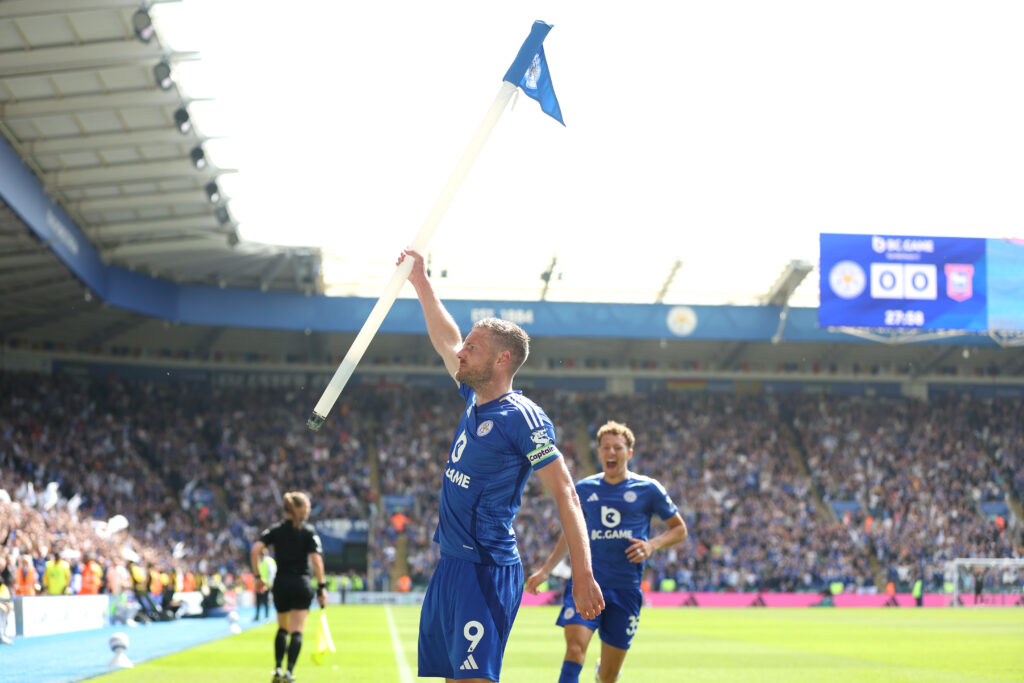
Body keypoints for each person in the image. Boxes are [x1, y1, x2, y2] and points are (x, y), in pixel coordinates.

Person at [399, 249, 604, 683]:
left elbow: (566, 493)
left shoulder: (522, 418)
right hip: (450, 565)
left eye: (472, 348)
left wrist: (583, 575)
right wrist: (420, 282)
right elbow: (445, 338)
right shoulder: (473, 394)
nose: (461, 352)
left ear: (501, 360)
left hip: (485, 570)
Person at [525, 420, 688, 683]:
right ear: (598, 452)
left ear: (629, 453)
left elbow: (679, 529)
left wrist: (652, 545)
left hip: (626, 588)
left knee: (609, 676)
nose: (611, 453)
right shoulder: (584, 489)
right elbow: (570, 534)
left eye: (618, 448)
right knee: (575, 647)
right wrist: (546, 570)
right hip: (587, 583)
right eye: (606, 448)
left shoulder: (649, 489)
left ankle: (604, 674)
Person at [251, 491, 327, 683]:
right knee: (297, 630)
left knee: (282, 628)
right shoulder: (308, 532)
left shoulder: (275, 530)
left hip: (281, 585)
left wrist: (258, 577)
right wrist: (321, 587)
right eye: (307, 507)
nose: (309, 510)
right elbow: (317, 561)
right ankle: (289, 673)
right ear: (300, 510)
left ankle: (277, 668)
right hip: (301, 583)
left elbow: (254, 550)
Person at [254, 546, 277, 621]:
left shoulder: (269, 561)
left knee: (266, 601)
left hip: (266, 585)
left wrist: (270, 584)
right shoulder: (260, 561)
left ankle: (266, 616)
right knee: (258, 601)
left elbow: (272, 573)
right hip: (259, 584)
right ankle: (257, 616)